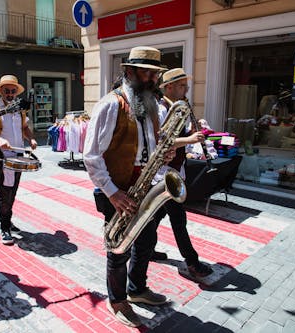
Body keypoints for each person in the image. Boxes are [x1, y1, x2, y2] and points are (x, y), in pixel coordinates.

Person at [84, 46, 176, 327]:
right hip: (117, 191)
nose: (152, 79)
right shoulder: (111, 105)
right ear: (129, 71)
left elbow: (152, 146)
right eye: (146, 73)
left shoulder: (154, 106)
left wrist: (165, 156)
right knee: (118, 248)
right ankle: (118, 300)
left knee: (147, 242)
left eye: (154, 74)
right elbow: (91, 156)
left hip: (145, 187)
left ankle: (137, 290)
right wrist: (113, 193)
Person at [151, 68, 214, 278]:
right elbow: (161, 142)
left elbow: (179, 137)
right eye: (182, 86)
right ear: (168, 87)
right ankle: (192, 263)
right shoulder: (160, 110)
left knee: (157, 215)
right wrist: (189, 139)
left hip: (176, 169)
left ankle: (144, 248)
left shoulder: (179, 108)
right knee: (179, 220)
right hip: (163, 172)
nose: (186, 90)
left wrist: (195, 132)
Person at [0, 75, 37, 245]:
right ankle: (4, 228)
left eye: (13, 91)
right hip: (0, 156)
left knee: (12, 191)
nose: (10, 94)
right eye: (7, 91)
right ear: (2, 91)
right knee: (5, 192)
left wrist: (31, 139)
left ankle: (8, 220)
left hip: (18, 156)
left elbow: (25, 127)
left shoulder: (20, 108)